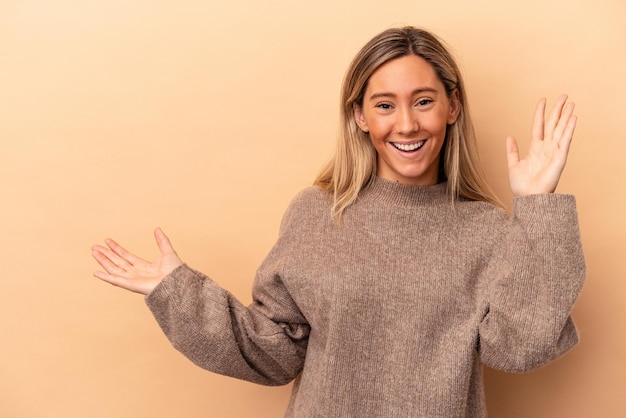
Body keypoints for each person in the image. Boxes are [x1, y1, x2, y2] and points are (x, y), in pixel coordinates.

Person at [91, 26, 585, 417]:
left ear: (452, 106)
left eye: (424, 100)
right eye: (385, 105)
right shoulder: (317, 212)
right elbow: (274, 353)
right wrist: (177, 291)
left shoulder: (488, 230)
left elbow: (519, 349)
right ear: (360, 117)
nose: (407, 124)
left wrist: (536, 207)